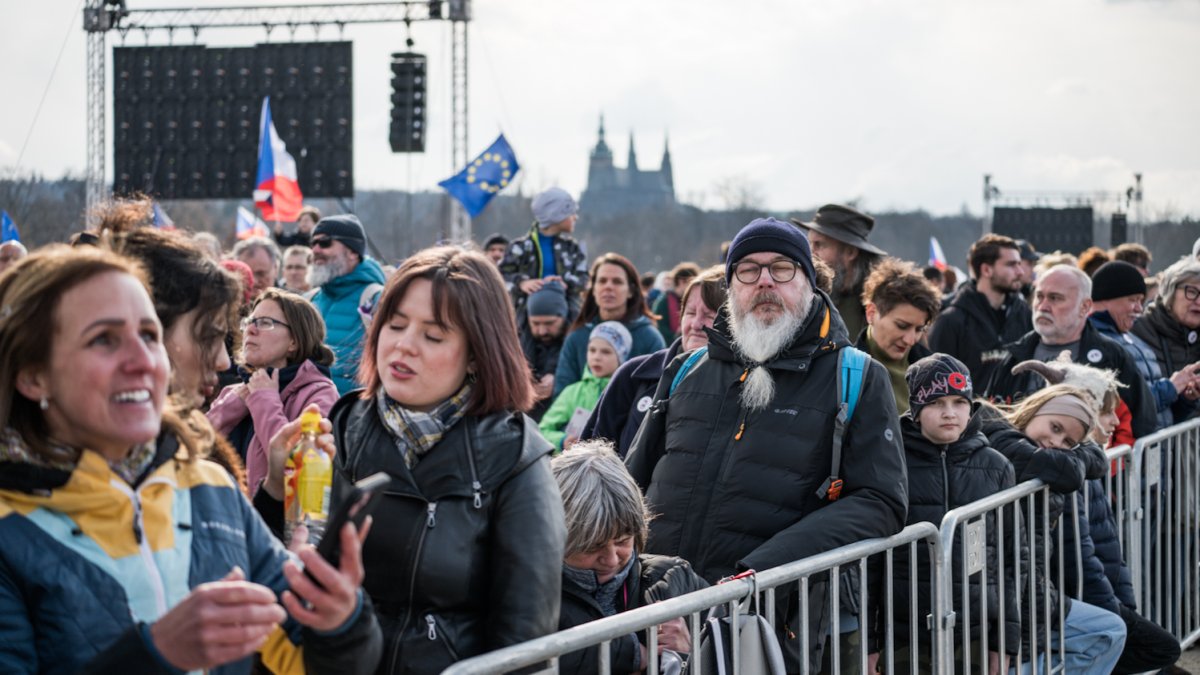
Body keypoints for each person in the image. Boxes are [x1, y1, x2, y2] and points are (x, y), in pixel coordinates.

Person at [0, 245, 380, 673]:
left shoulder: (208, 487)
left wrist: (338, 623)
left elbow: (303, 657)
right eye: (103, 340)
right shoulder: (10, 529)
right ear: (33, 375)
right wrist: (157, 655)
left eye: (148, 336)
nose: (143, 360)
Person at [625, 217, 908, 670]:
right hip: (652, 607)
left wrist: (759, 569)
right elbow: (631, 481)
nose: (764, 282)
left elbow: (881, 500)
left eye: (782, 269)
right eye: (748, 270)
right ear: (732, 284)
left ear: (809, 282)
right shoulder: (686, 368)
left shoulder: (855, 375)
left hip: (768, 614)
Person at [327, 245, 566, 675]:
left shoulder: (516, 459)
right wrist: (275, 492)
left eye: (433, 336)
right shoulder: (344, 427)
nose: (404, 345)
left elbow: (525, 645)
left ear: (477, 353)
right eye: (395, 325)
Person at [1012, 359, 1184, 675]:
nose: (1112, 422)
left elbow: (1105, 550)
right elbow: (1076, 554)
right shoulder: (1066, 472)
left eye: (1067, 439)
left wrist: (1123, 607)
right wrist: (1113, 613)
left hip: (1080, 599)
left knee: (1149, 648)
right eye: (1104, 413)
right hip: (1066, 601)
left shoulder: (1081, 465)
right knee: (1144, 646)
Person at [874, 354, 1019, 674]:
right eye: (937, 402)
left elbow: (1011, 561)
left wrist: (1006, 643)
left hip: (975, 633)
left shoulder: (996, 467)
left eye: (959, 401)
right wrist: (873, 645)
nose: (950, 413)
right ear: (915, 410)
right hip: (905, 634)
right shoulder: (891, 464)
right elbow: (871, 563)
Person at [979, 384, 1127, 673]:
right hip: (999, 601)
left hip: (1033, 593)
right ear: (1035, 410)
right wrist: (1077, 456)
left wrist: (1079, 452)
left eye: (1068, 441)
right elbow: (1069, 470)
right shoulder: (999, 436)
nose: (1056, 441)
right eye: (1055, 427)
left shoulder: (1046, 453)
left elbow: (1094, 457)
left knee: (1110, 632)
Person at [553, 441, 708, 674]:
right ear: (555, 538)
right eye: (592, 547)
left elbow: (733, 658)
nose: (612, 559)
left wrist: (690, 656)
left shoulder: (673, 578)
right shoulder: (525, 595)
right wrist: (631, 655)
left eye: (622, 541)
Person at [984, 265, 1158, 439]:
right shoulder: (1014, 356)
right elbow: (989, 419)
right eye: (1039, 296)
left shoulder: (1113, 357)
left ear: (1084, 307)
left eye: (1055, 298)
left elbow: (1141, 423)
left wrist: (1107, 463)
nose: (1043, 306)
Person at [207, 289, 339, 498]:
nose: (250, 329)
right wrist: (235, 403)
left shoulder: (319, 394)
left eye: (265, 323)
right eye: (250, 321)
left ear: (294, 341)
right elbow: (197, 448)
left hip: (276, 523)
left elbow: (301, 471)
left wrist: (264, 401)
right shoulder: (235, 391)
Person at [582, 265, 726, 456]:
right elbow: (589, 453)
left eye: (709, 316)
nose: (696, 324)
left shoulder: (738, 388)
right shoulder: (635, 374)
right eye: (690, 313)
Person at [1089, 261, 1200, 430]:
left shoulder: (1133, 339)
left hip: (1160, 451)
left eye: (1141, 301)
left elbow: (1161, 416)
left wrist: (1186, 399)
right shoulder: (1097, 342)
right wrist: (1171, 387)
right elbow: (1127, 408)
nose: (1139, 309)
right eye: (1132, 300)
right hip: (1129, 452)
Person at [553, 253, 665, 397]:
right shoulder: (577, 337)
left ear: (630, 291)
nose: (608, 287)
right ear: (593, 289)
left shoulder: (650, 339)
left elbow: (656, 395)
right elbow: (561, 394)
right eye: (602, 281)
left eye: (617, 282)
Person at [928, 234, 1032, 385]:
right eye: (1011, 264)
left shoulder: (1024, 314)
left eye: (1019, 264)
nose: (1020, 272)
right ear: (986, 270)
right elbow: (936, 383)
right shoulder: (951, 321)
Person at [308, 214, 388, 394]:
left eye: (325, 243)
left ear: (353, 252)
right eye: (312, 243)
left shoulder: (376, 298)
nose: (316, 249)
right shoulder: (309, 299)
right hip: (307, 415)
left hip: (354, 415)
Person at [858, 258, 940, 414]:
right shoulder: (843, 371)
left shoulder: (936, 373)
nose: (910, 340)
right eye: (902, 326)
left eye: (919, 329)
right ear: (871, 313)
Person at [792, 203, 885, 340]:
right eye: (810, 243)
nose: (811, 253)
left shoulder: (880, 304)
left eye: (819, 245)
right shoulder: (803, 295)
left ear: (850, 252)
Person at [499, 187, 589, 319]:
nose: (576, 217)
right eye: (571, 212)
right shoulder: (519, 248)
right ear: (556, 215)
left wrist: (564, 283)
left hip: (568, 319)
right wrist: (522, 283)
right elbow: (500, 276)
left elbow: (584, 279)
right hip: (525, 321)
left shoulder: (573, 248)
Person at [540, 321, 631, 450]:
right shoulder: (572, 392)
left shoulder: (627, 394)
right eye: (592, 350)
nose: (596, 357)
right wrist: (562, 441)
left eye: (606, 352)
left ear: (621, 357)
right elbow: (542, 430)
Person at [1130, 257, 1200, 424]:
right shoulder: (1137, 331)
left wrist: (1189, 398)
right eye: (1191, 291)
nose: (1199, 301)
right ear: (1169, 291)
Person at [520, 280, 571, 422]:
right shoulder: (515, 341)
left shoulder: (579, 340)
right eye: (535, 324)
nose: (542, 331)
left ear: (563, 317)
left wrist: (559, 379)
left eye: (549, 323)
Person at [651, 261, 700, 344]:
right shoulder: (663, 302)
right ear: (681, 281)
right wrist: (678, 335)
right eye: (692, 282)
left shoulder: (695, 300)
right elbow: (660, 328)